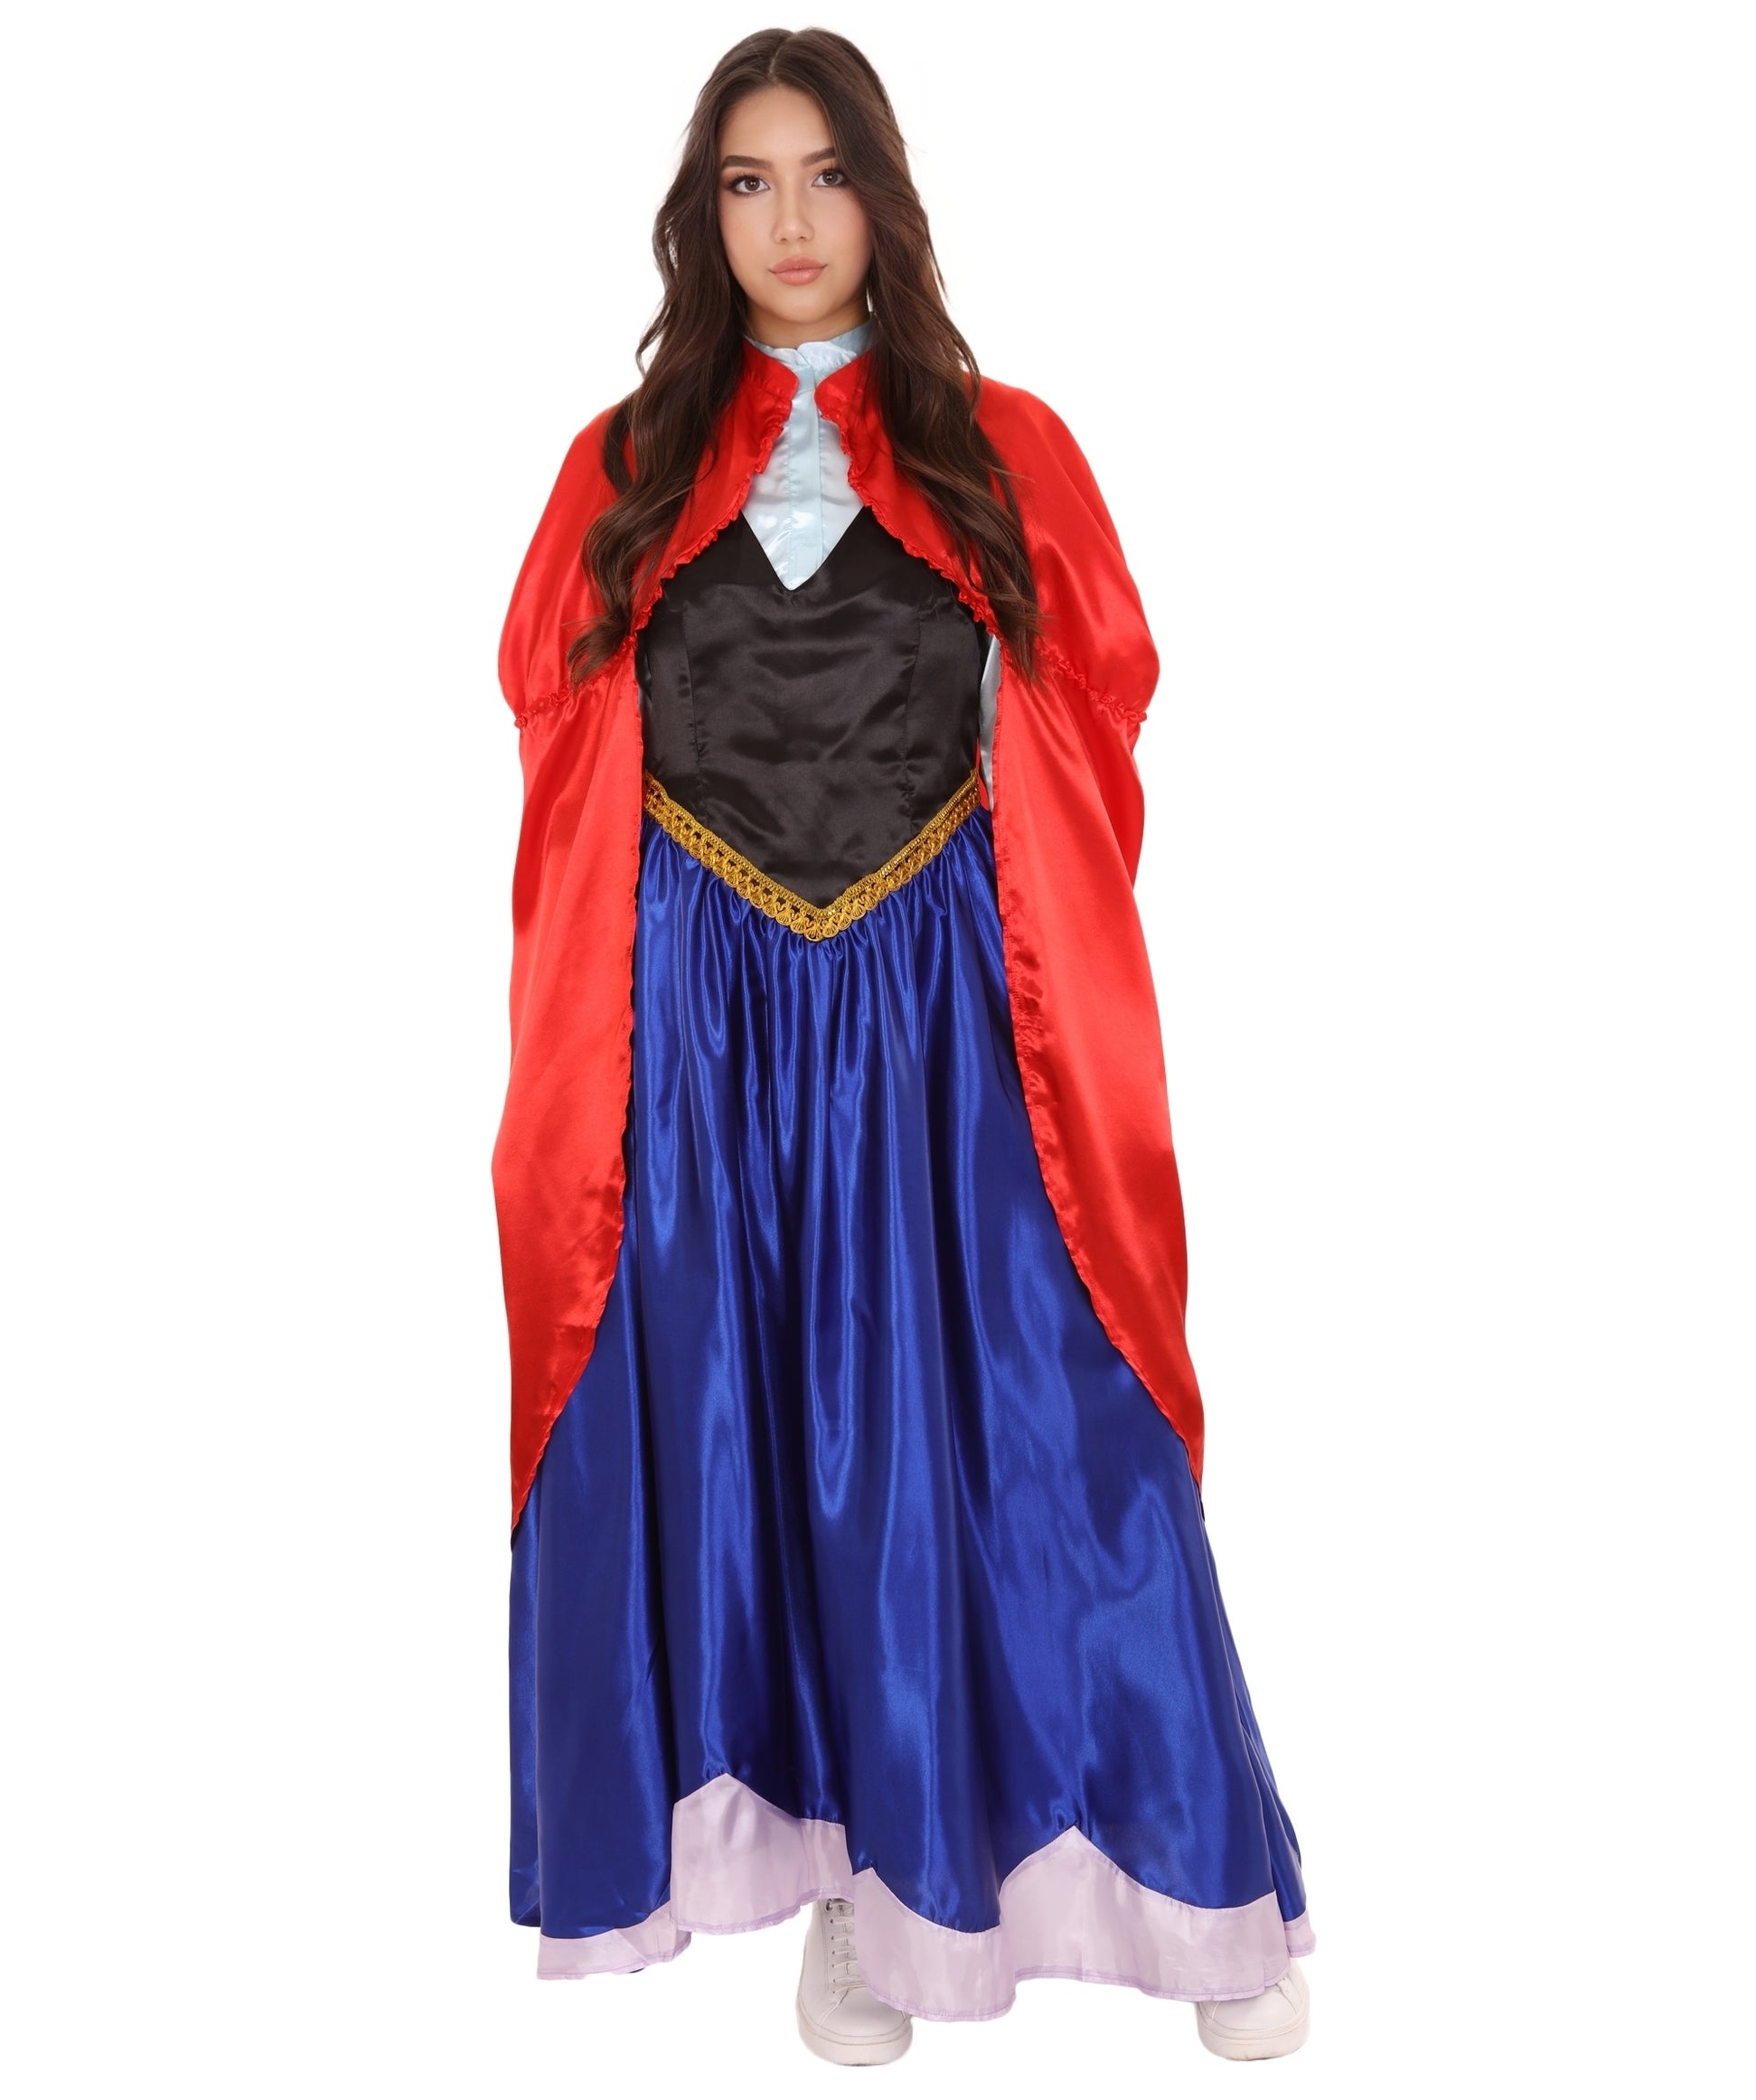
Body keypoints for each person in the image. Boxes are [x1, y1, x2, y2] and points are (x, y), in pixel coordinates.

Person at [493, 26, 1313, 2067]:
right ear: (703, 216)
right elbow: (563, 745)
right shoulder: (620, 469)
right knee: (771, 1441)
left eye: (824, 173)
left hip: (953, 1011)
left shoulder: (999, 446)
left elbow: (1093, 708)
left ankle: (1206, 1892)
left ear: (884, 194)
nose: (788, 220)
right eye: (747, 181)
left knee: (1044, 1423)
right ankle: (867, 1898)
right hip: (703, 1027)